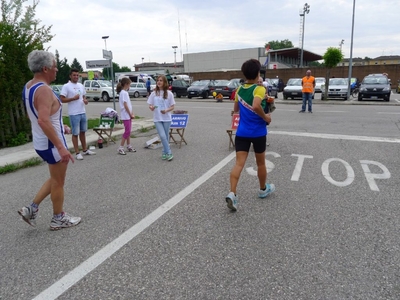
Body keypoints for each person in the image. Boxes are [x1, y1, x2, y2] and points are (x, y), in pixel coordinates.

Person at [19, 50, 81, 230]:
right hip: (51, 144)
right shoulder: (44, 90)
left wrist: (61, 127)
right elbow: (43, 120)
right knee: (59, 181)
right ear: (45, 69)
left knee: (55, 178)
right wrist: (61, 147)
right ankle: (58, 217)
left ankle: (31, 208)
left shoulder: (29, 86)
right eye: (54, 66)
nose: (57, 69)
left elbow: (43, 116)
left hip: (41, 142)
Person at [226, 59, 275, 212]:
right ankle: (262, 189)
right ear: (257, 73)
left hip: (242, 133)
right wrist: (266, 117)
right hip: (258, 133)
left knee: (239, 164)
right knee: (260, 163)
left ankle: (232, 193)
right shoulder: (259, 89)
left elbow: (236, 110)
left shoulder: (239, 90)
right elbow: (255, 105)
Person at [60, 68, 96, 160]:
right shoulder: (66, 86)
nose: (76, 77)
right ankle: (77, 152)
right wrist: (72, 98)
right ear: (70, 76)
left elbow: (83, 96)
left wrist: (85, 100)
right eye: (74, 75)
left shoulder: (80, 85)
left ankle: (85, 149)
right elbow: (62, 99)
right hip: (74, 113)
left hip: (82, 111)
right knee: (75, 133)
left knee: (83, 132)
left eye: (77, 75)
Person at [147, 75, 176, 161]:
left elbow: (172, 106)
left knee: (166, 136)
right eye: (158, 80)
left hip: (166, 118)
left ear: (164, 82)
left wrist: (166, 110)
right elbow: (150, 104)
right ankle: (169, 152)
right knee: (162, 136)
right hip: (157, 118)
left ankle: (164, 152)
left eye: (161, 80)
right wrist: (151, 107)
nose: (159, 82)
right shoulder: (154, 93)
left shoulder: (169, 93)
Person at [117, 77, 136, 155]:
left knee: (129, 131)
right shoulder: (124, 93)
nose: (130, 86)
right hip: (125, 115)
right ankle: (121, 147)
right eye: (129, 84)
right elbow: (125, 105)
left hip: (128, 115)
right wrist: (130, 114)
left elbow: (128, 104)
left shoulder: (124, 92)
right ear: (126, 84)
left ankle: (128, 145)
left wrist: (131, 113)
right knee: (127, 131)